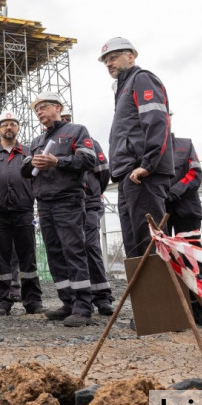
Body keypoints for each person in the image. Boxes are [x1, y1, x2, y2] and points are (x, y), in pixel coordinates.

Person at [22, 92, 98, 327]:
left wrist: (58, 161)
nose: (40, 113)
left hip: (68, 201)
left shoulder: (76, 131)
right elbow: (24, 171)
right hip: (44, 204)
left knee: (73, 251)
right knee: (55, 254)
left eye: (43, 107)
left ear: (57, 107)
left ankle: (83, 306)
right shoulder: (37, 141)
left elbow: (89, 161)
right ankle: (68, 302)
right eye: (37, 110)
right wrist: (30, 163)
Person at [99, 37, 174, 258]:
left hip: (141, 174)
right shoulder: (123, 89)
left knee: (150, 239)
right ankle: (145, 293)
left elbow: (157, 121)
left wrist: (148, 164)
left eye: (113, 58)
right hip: (127, 175)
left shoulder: (141, 79)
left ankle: (161, 292)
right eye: (106, 61)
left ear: (131, 56)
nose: (109, 64)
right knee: (134, 242)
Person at [0, 109, 43, 316]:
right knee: (1, 258)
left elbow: (37, 180)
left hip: (23, 211)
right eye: (5, 124)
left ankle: (32, 301)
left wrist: (37, 208)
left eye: (13, 124)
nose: (9, 127)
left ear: (18, 128)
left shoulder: (29, 152)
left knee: (28, 257)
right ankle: (3, 301)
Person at [62, 110, 115, 316]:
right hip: (66, 203)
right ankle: (74, 300)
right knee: (70, 249)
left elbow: (103, 172)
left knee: (90, 246)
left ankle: (102, 297)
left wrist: (91, 193)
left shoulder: (88, 142)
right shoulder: (50, 144)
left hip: (88, 204)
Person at [165, 132, 202, 326]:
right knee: (162, 259)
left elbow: (195, 173)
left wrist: (175, 192)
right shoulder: (147, 147)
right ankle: (170, 310)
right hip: (160, 211)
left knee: (191, 259)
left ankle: (199, 307)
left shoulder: (185, 145)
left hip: (186, 209)